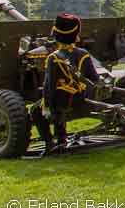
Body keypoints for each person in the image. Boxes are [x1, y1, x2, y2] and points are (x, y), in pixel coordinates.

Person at [30, 13, 100, 153]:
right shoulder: (84, 53)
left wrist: (47, 108)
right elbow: (94, 78)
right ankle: (61, 139)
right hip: (82, 97)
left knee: (36, 110)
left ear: (56, 34)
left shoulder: (53, 57)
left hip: (63, 101)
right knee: (60, 99)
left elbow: (49, 87)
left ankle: (50, 142)